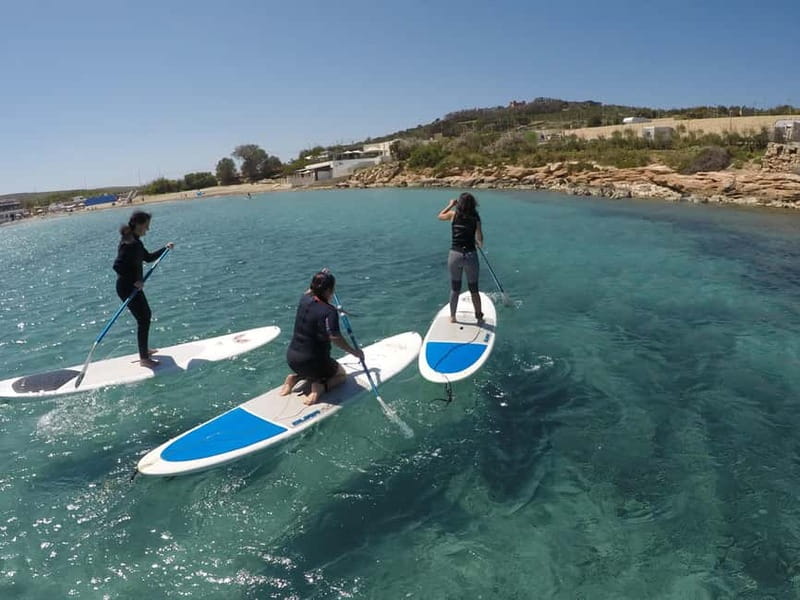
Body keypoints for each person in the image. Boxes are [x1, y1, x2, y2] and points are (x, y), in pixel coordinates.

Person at [280, 270, 364, 405]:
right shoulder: (329, 311)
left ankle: (294, 379)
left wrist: (320, 276)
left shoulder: (304, 299)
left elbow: (311, 290)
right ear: (329, 290)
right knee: (342, 375)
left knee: (309, 367)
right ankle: (319, 388)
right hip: (314, 364)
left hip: (292, 360)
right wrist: (355, 353)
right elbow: (335, 337)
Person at [112, 211, 175, 368]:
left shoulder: (136, 241)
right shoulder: (129, 243)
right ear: (138, 225)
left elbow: (147, 258)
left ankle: (144, 351)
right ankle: (144, 359)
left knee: (145, 316)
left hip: (131, 286)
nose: (148, 229)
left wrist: (164, 249)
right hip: (127, 287)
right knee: (144, 318)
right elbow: (117, 266)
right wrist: (135, 281)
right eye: (146, 226)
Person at [437, 192, 484, 323]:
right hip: (470, 255)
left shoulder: (453, 215)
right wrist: (476, 241)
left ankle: (452, 317)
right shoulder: (476, 218)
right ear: (473, 204)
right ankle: (479, 317)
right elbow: (480, 239)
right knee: (474, 288)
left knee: (455, 288)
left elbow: (439, 216)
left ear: (460, 204)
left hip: (455, 255)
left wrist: (450, 205)